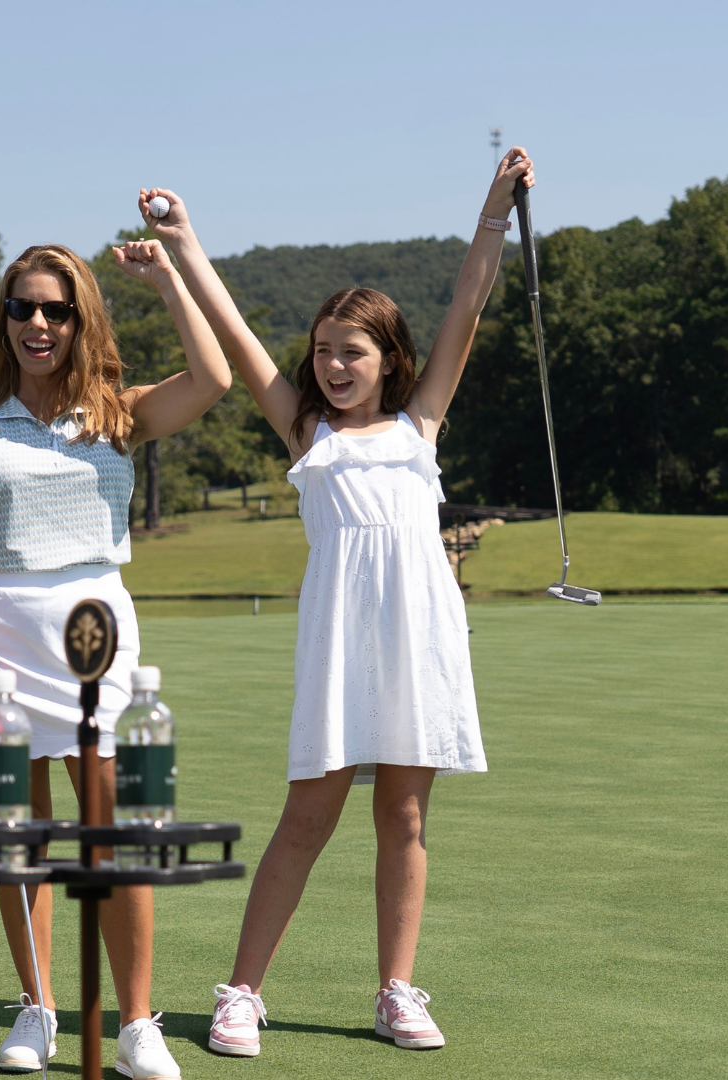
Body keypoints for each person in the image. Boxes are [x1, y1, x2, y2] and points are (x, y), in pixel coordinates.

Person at [148, 151, 532, 1058]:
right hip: (339, 645)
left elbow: (468, 302)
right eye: (322, 351)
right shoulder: (306, 431)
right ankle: (242, 994)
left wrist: (494, 208)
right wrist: (186, 242)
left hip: (420, 641)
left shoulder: (421, 423)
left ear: (390, 359)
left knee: (405, 818)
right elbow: (238, 333)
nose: (331, 365)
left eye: (350, 351)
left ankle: (396, 991)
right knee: (307, 819)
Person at [0, 239, 231, 1080]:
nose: (37, 323)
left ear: (80, 320)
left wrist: (168, 277)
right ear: (4, 319)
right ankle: (37, 1008)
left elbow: (214, 378)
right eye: (21, 307)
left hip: (96, 632)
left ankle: (135, 1023)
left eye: (55, 310)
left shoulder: (118, 413)